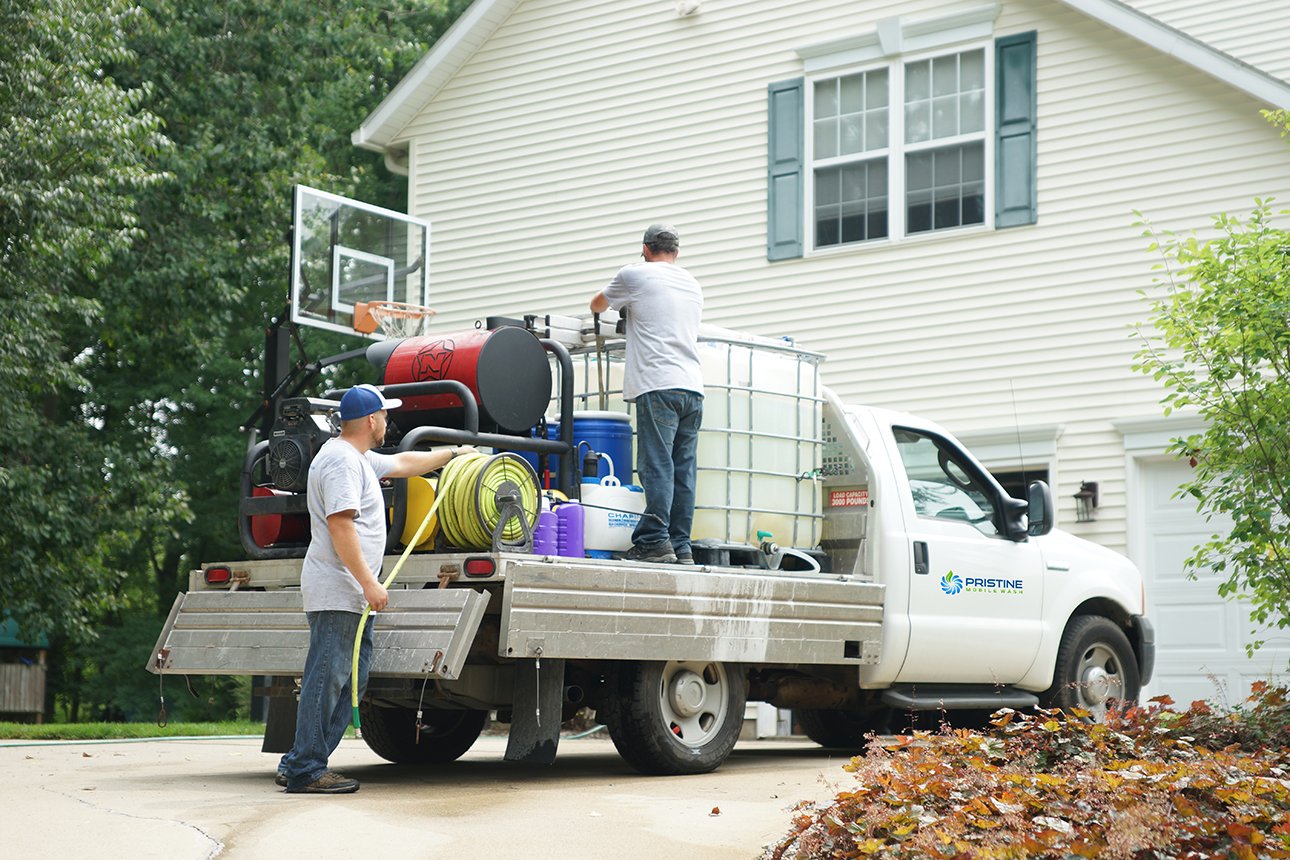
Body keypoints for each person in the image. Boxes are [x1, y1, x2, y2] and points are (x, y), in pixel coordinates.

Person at [278, 383, 472, 793]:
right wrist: (370, 583)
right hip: (341, 591)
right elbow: (340, 523)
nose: (388, 421)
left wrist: (454, 455)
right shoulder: (342, 464)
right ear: (371, 420)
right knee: (328, 679)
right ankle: (305, 769)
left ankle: (302, 760)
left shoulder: (357, 459)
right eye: (385, 415)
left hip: (348, 594)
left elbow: (404, 461)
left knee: (350, 679)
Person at [590, 223, 704, 565]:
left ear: (645, 248)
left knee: (657, 466)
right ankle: (681, 546)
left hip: (658, 383)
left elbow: (596, 305)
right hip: (693, 387)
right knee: (684, 470)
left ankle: (654, 541)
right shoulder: (692, 283)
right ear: (677, 252)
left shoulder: (635, 274)